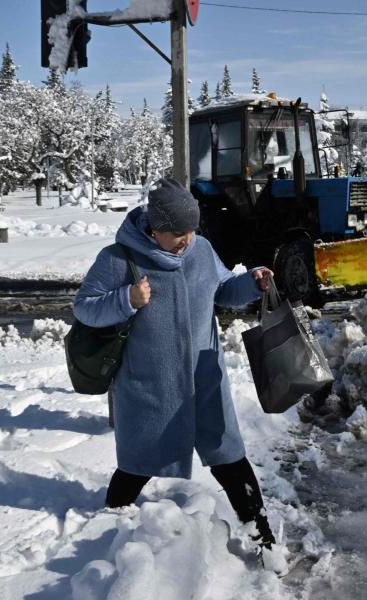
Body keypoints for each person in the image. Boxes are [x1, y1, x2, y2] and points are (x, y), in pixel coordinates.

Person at [73, 176, 278, 550]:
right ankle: (106, 531)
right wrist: (126, 299)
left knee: (230, 458)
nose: (188, 239)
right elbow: (84, 309)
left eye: (192, 229)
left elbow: (224, 291)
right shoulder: (119, 258)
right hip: (151, 388)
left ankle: (263, 538)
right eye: (179, 232)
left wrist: (252, 282)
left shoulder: (200, 250)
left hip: (205, 377)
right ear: (155, 229)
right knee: (137, 465)